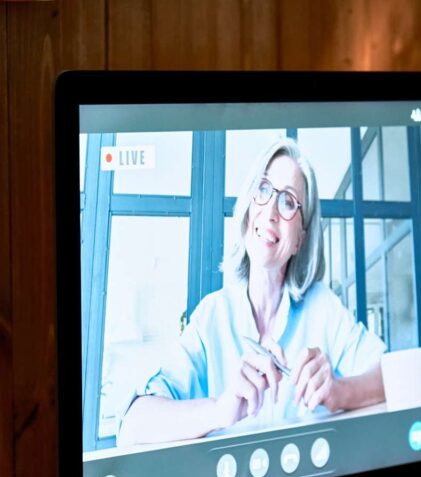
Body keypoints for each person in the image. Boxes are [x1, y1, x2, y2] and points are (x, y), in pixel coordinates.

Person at [118, 139, 386, 446]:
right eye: (263, 190)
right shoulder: (212, 316)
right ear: (248, 211)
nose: (270, 210)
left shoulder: (322, 306)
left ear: (300, 238)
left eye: (288, 201)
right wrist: (220, 410)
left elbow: (390, 375)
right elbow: (134, 426)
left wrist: (339, 392)